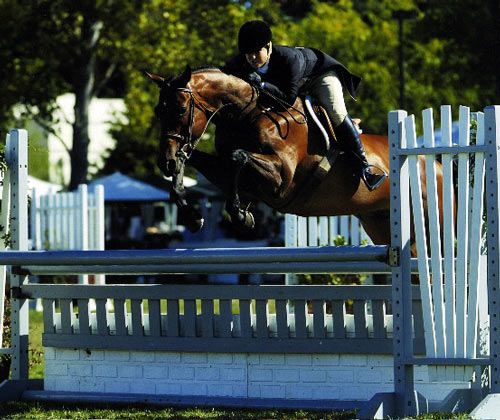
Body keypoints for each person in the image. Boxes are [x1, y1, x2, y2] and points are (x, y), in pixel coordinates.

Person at [222, 20, 386, 191]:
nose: (252, 58)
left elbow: (288, 99)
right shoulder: (242, 61)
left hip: (319, 77)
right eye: (248, 54)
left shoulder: (289, 59)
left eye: (256, 52)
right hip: (292, 84)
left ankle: (365, 167)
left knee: (335, 113)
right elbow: (220, 75)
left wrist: (262, 85)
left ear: (269, 46)